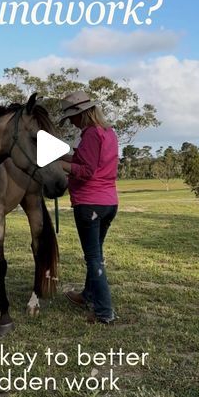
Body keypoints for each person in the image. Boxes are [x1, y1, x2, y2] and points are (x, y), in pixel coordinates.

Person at [58, 91, 119, 324]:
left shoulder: (92, 134)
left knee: (94, 258)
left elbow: (86, 172)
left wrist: (59, 164)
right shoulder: (108, 133)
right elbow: (89, 161)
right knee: (96, 254)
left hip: (90, 203)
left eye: (72, 117)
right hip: (108, 202)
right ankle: (88, 295)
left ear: (83, 114)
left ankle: (104, 312)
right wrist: (65, 155)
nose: (71, 122)